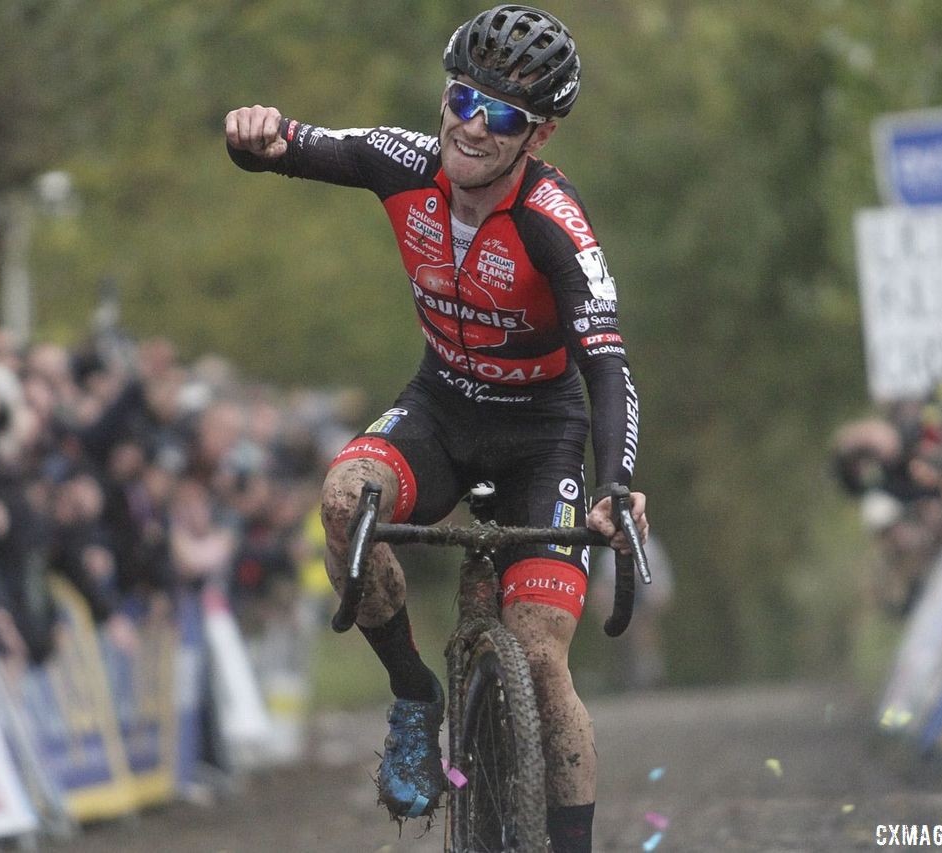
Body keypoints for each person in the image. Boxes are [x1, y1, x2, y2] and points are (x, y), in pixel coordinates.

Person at [225, 7, 648, 850]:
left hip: (542, 433)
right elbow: (286, 145)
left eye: (501, 116)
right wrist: (252, 135)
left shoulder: (553, 221)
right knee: (346, 500)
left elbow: (610, 367)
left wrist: (615, 484)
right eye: (462, 98)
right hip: (441, 408)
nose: (471, 125)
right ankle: (416, 693)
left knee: (538, 656)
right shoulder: (399, 160)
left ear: (540, 134)